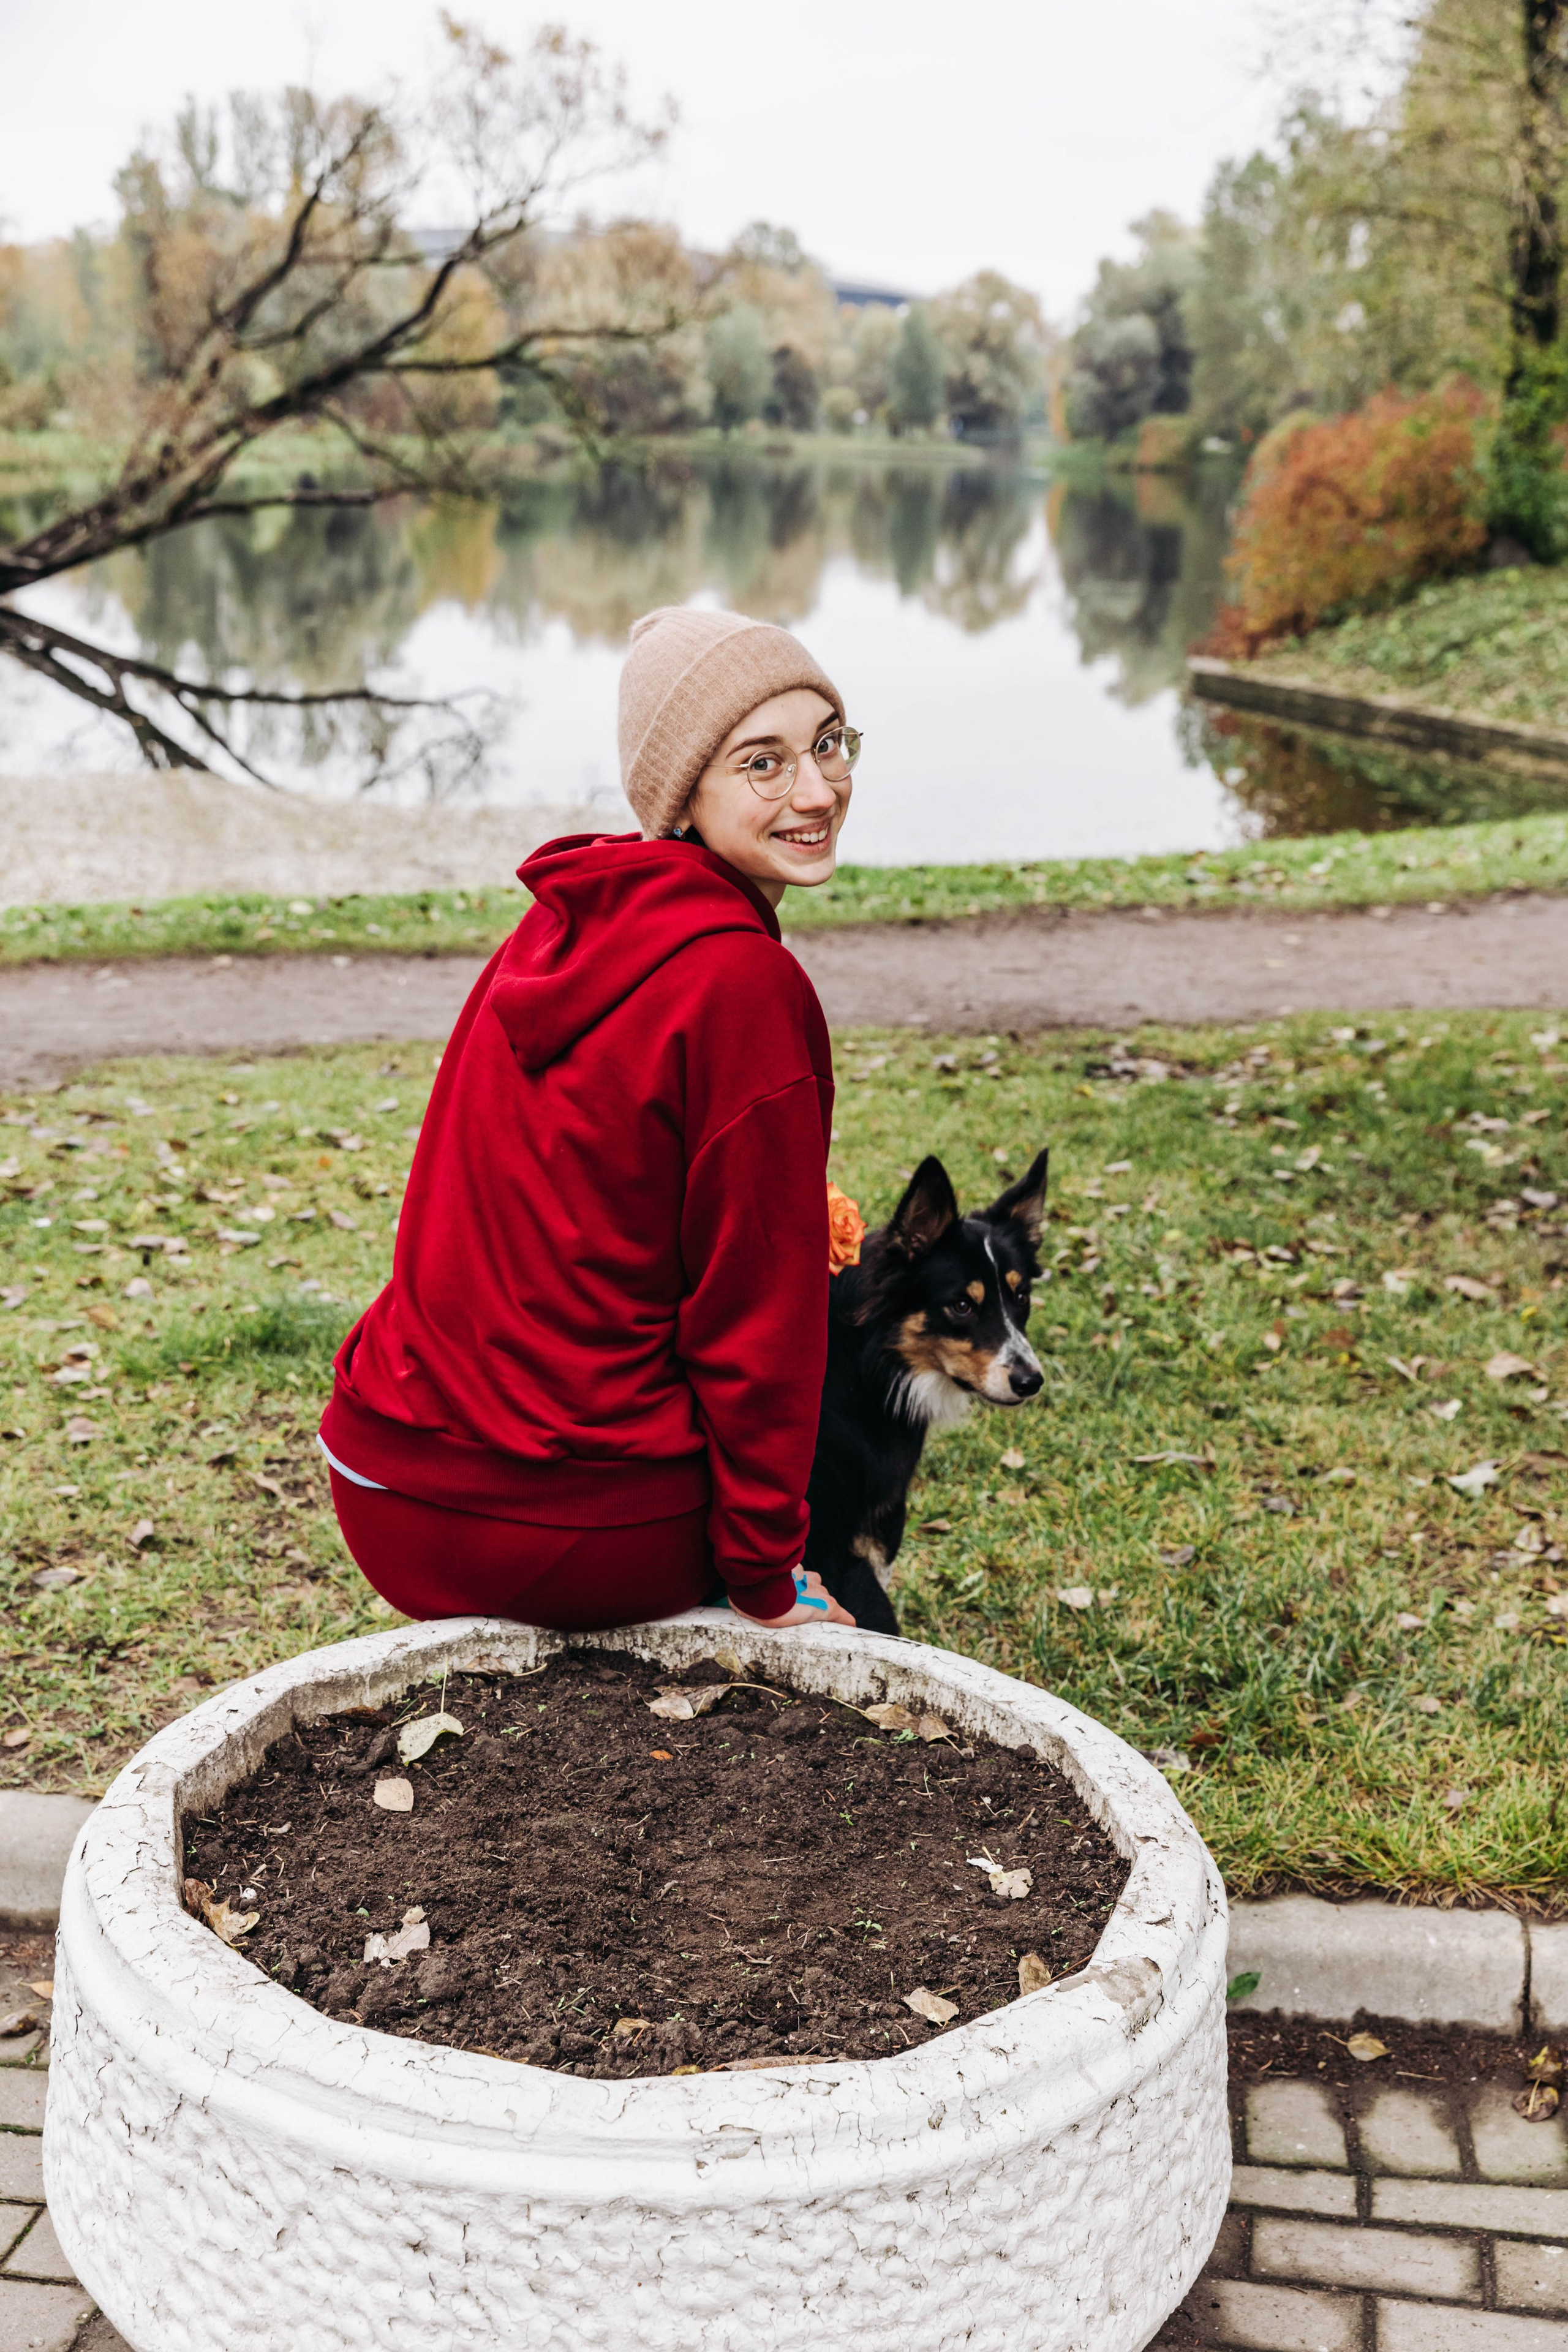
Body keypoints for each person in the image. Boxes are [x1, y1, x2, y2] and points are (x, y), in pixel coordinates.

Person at [318, 605, 861, 1635]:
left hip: (382, 1480)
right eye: (763, 762)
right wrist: (764, 1574)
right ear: (681, 792)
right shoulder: (744, 984)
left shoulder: (565, 925)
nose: (817, 790)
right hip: (565, 1531)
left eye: (829, 744)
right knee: (823, 1366)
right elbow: (756, 1321)